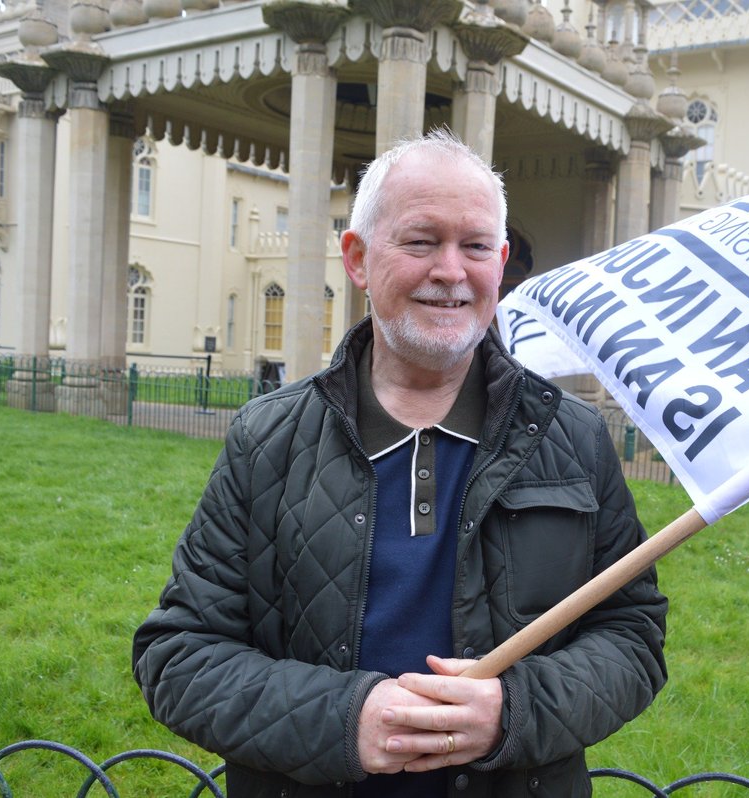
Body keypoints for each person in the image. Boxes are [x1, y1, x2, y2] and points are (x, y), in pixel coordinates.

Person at [132, 129, 668, 797]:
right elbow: (179, 655)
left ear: (501, 262)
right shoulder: (266, 440)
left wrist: (513, 713)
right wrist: (342, 721)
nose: (451, 271)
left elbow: (632, 637)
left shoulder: (574, 438)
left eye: (476, 247)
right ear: (357, 258)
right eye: (420, 241)